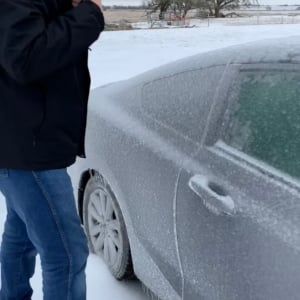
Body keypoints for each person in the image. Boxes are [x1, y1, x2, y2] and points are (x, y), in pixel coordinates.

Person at [0, 0, 105, 298]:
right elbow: (25, 58)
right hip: (29, 151)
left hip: (23, 145)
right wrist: (89, 14)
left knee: (21, 237)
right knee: (66, 253)